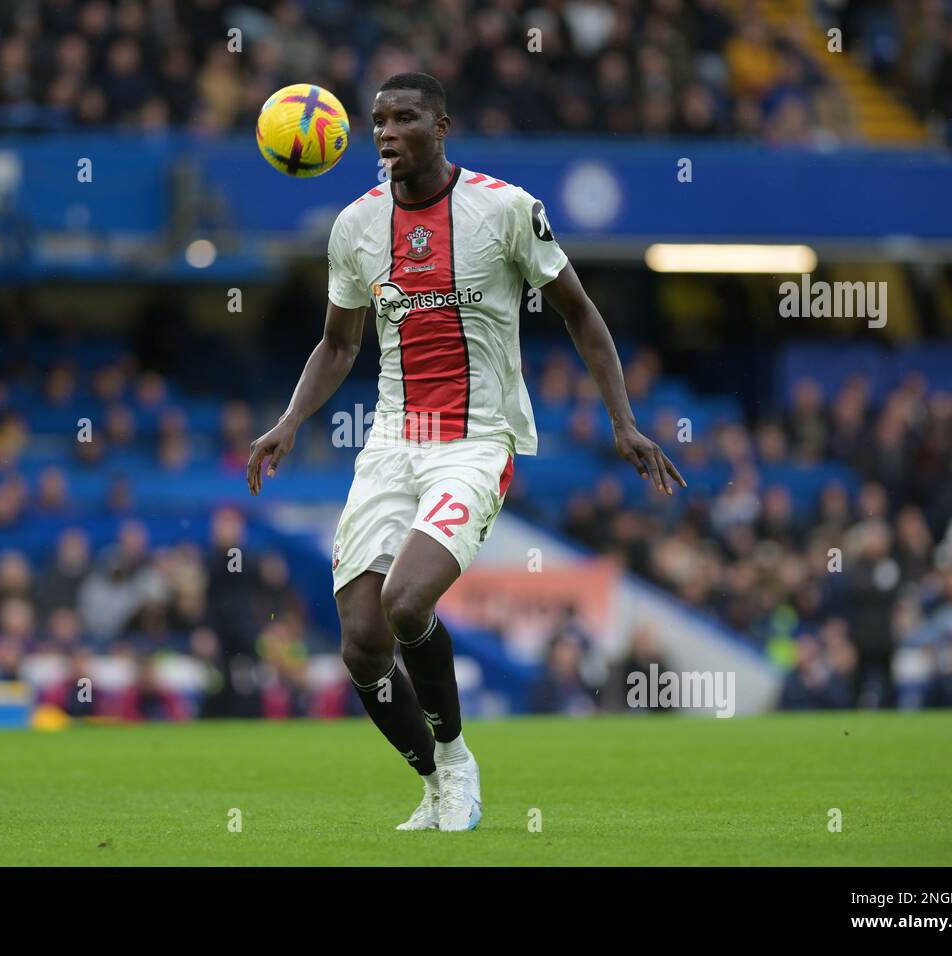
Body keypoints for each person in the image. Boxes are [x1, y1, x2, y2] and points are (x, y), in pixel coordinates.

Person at [247, 72, 685, 832]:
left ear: (442, 125)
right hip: (391, 441)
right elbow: (338, 342)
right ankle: (433, 776)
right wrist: (290, 419)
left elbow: (581, 315)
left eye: (404, 118)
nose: (386, 132)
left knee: (407, 600)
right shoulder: (355, 226)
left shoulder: (507, 210)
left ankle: (455, 760)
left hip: (476, 442)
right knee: (360, 645)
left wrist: (623, 420)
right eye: (377, 120)